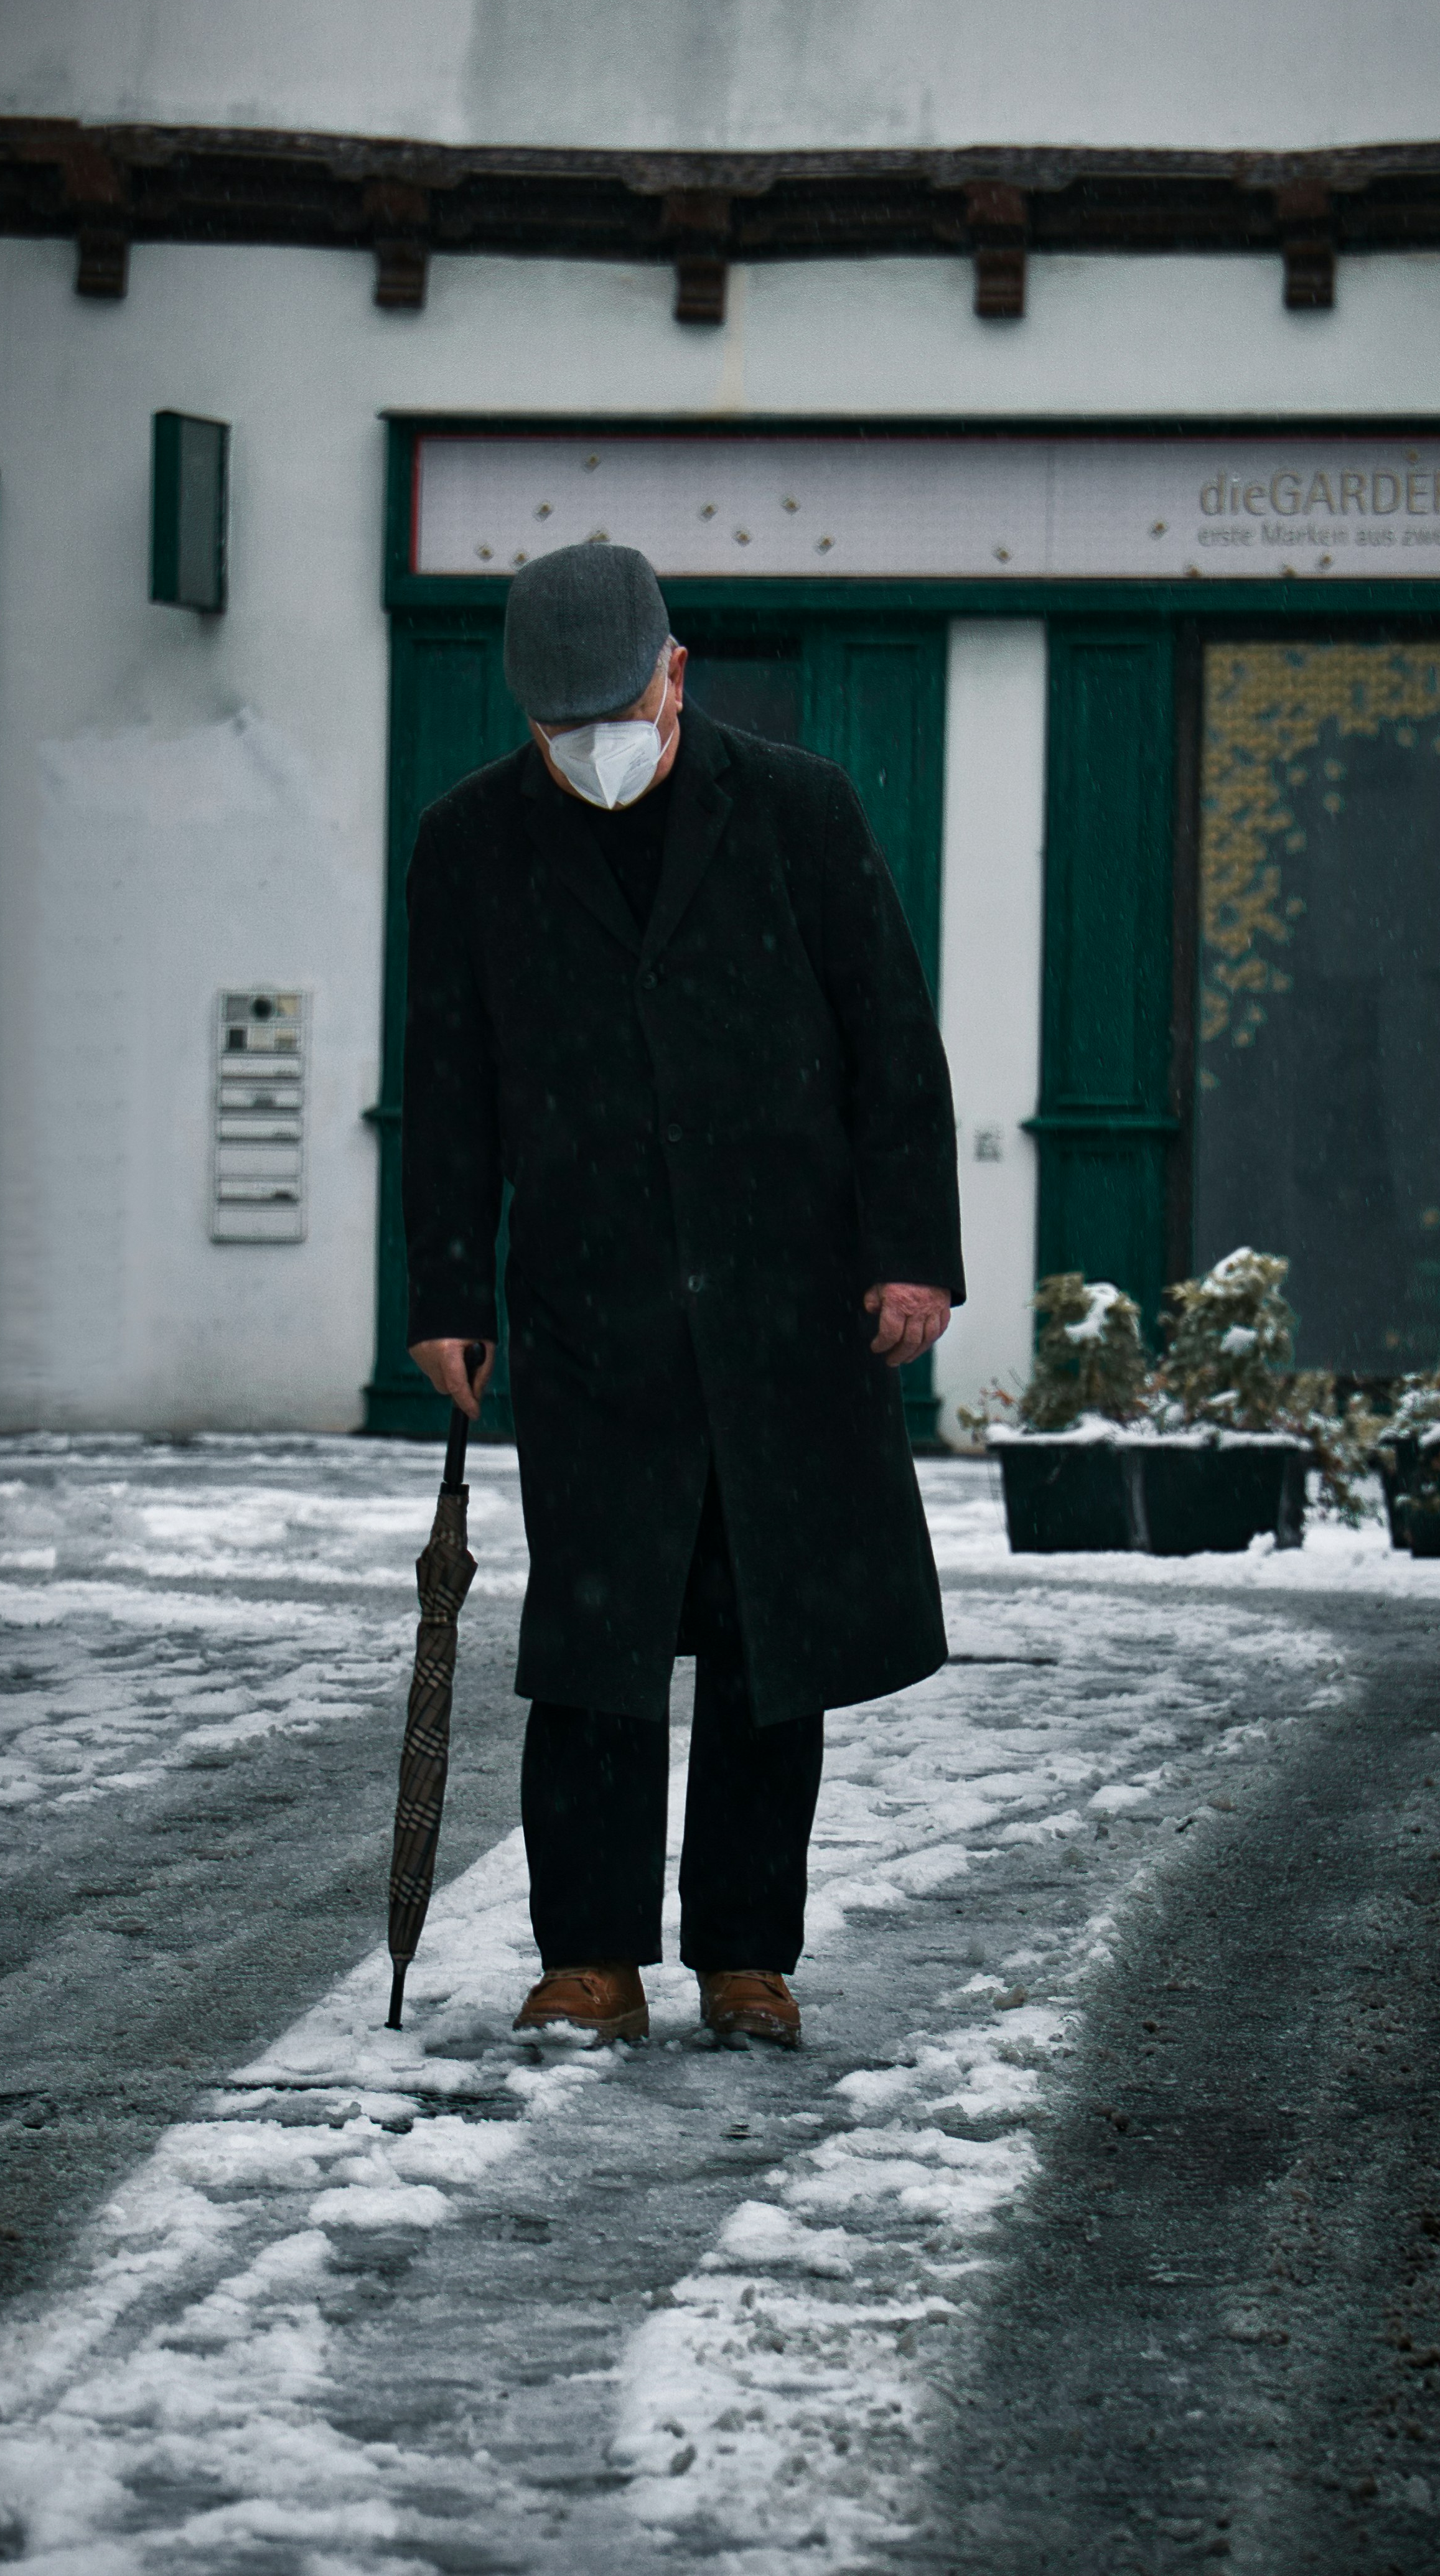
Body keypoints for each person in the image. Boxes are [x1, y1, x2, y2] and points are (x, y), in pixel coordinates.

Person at [401, 538, 962, 2048]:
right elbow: (446, 1090)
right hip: (595, 1310)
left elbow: (891, 1049)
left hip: (790, 1301)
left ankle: (743, 1953)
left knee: (769, 1635)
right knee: (595, 1637)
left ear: (675, 672)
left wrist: (911, 1250)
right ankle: (586, 1957)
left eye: (616, 707)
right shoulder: (467, 847)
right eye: (557, 722)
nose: (594, 746)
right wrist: (446, 1287)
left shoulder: (800, 813)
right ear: (523, 715)